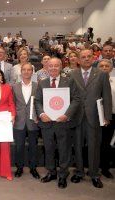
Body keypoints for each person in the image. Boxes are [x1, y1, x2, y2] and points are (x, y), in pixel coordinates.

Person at [35, 58, 80, 189]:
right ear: (47, 67)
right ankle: (52, 172)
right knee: (48, 148)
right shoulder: (42, 83)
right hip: (47, 122)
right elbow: (37, 101)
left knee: (63, 149)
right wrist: (42, 114)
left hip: (63, 122)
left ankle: (62, 175)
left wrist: (67, 115)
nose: (53, 68)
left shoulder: (69, 81)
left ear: (61, 67)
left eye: (56, 66)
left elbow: (76, 99)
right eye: (51, 66)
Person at [70, 49, 112, 188]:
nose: (86, 59)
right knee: (78, 145)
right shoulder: (72, 74)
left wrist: (107, 116)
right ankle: (79, 172)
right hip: (77, 116)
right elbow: (68, 96)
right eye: (83, 57)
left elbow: (107, 96)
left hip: (95, 116)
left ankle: (94, 174)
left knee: (94, 146)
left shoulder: (101, 74)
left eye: (89, 56)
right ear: (78, 60)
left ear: (93, 58)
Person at [12, 63, 40, 179]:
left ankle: (33, 168)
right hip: (19, 120)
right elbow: (12, 103)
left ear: (32, 72)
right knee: (19, 146)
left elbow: (40, 102)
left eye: (29, 70)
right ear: (21, 72)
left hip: (34, 121)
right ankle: (19, 167)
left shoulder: (38, 86)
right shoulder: (14, 86)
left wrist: (39, 115)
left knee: (33, 146)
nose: (27, 72)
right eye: (24, 70)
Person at [97, 59, 114, 179]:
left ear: (111, 68)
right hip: (96, 116)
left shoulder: (114, 82)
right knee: (95, 143)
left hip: (111, 116)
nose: (104, 68)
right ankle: (93, 166)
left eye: (106, 66)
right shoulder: (94, 82)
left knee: (106, 143)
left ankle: (105, 168)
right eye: (101, 66)